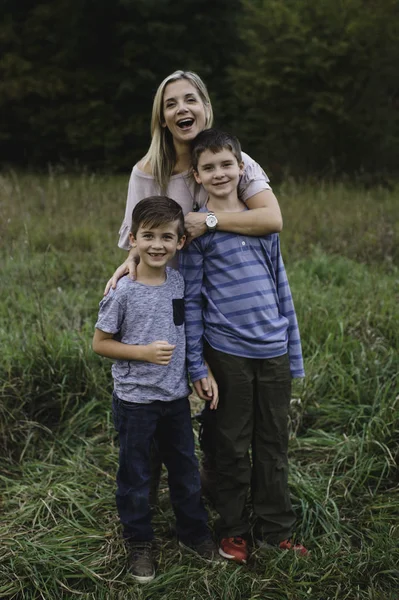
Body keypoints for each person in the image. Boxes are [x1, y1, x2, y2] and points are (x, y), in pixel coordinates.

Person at [103, 69, 284, 499]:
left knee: (217, 399)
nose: (181, 109)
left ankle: (210, 485)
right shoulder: (146, 172)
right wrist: (129, 262)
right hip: (167, 295)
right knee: (158, 395)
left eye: (190, 100)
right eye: (171, 104)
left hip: (222, 298)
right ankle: (142, 499)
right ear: (162, 119)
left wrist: (210, 220)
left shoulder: (230, 159)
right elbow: (138, 235)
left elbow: (271, 219)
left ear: (205, 107)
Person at [179, 129, 308, 565]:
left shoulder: (261, 222)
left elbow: (280, 285)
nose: (219, 173)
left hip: (272, 347)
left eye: (226, 165)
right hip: (227, 351)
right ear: (196, 175)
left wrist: (291, 346)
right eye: (209, 167)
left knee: (273, 442)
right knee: (230, 444)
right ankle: (233, 530)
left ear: (242, 168)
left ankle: (276, 530)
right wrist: (197, 364)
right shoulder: (197, 231)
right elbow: (192, 302)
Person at [93, 196, 220, 583]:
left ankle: (194, 534)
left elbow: (185, 333)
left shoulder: (178, 282)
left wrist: (198, 371)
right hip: (135, 401)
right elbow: (100, 343)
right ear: (133, 239)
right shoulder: (122, 291)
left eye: (167, 237)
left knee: (185, 470)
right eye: (148, 236)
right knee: (136, 475)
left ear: (180, 242)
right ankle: (139, 543)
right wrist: (143, 353)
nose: (157, 245)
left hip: (175, 398)